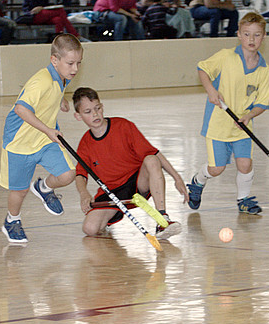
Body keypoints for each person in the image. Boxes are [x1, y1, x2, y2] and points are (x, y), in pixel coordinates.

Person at [0, 34, 83, 243]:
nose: (75, 69)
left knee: (68, 174)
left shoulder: (62, 76)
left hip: (44, 140)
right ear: (55, 60)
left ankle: (44, 187)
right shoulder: (41, 81)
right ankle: (12, 221)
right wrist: (47, 130)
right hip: (20, 143)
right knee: (19, 191)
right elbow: (20, 109)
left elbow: (54, 90)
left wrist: (60, 99)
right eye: (70, 63)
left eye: (79, 63)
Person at [186, 12, 269, 214]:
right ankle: (197, 182)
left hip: (243, 126)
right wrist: (211, 90)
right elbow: (202, 68)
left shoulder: (264, 70)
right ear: (239, 35)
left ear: (264, 36)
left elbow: (262, 103)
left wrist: (249, 116)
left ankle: (243, 200)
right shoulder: (226, 56)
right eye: (247, 34)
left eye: (257, 35)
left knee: (245, 164)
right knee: (217, 169)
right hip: (218, 124)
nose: (252, 39)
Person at [71, 87, 186, 239]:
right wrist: (83, 193)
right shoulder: (85, 144)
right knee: (90, 228)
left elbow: (154, 153)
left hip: (137, 183)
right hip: (112, 192)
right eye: (88, 112)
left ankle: (162, 219)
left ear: (102, 107)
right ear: (78, 116)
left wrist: (176, 177)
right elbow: (80, 174)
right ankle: (108, 219)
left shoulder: (123, 126)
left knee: (151, 159)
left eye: (97, 108)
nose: (95, 114)